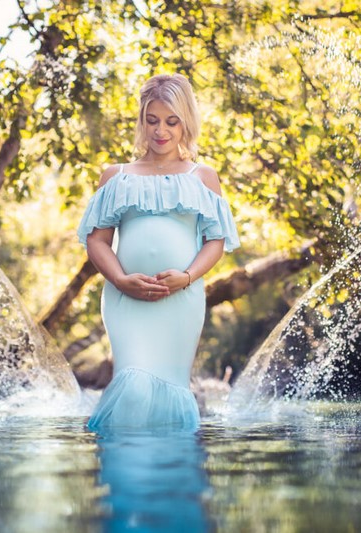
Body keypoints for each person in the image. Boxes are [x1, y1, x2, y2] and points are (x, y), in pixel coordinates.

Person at [77, 73, 240, 430]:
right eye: (152, 121)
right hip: (126, 301)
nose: (160, 131)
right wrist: (120, 279)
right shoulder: (116, 176)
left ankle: (170, 475)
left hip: (180, 301)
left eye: (171, 121)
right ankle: (124, 474)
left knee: (171, 391)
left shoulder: (203, 176)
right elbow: (97, 241)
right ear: (141, 121)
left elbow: (216, 241)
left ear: (186, 123)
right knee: (133, 386)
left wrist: (187, 277)